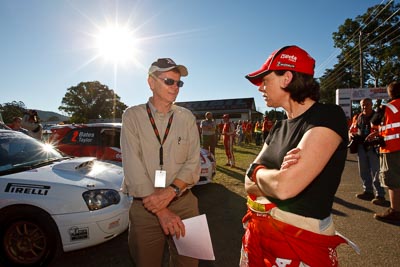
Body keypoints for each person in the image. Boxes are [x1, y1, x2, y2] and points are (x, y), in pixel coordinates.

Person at [241, 45, 357, 266]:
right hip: (261, 238)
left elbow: (285, 187)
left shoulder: (327, 115)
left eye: (265, 81)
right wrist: (267, 176)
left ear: (286, 78)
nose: (260, 88)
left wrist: (257, 170)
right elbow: (248, 184)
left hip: (302, 244)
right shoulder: (278, 128)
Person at [120, 58, 200, 267]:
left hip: (183, 202)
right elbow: (132, 164)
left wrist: (172, 192)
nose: (175, 87)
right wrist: (161, 211)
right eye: (168, 81)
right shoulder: (132, 116)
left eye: (178, 83)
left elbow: (193, 162)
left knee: (189, 263)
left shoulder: (187, 117)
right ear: (151, 82)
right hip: (145, 207)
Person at [368, 81, 400, 223]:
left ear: (390, 93)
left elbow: (373, 122)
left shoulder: (387, 107)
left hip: (392, 148)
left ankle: (395, 211)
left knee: (393, 180)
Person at [349, 98, 386, 205]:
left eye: (367, 104)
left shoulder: (378, 116)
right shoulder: (357, 117)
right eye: (362, 105)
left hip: (374, 147)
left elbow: (383, 129)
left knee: (376, 171)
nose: (364, 107)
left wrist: (375, 135)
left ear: (372, 104)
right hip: (361, 147)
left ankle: (380, 195)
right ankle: (368, 192)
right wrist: (351, 135)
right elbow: (351, 130)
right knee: (363, 171)